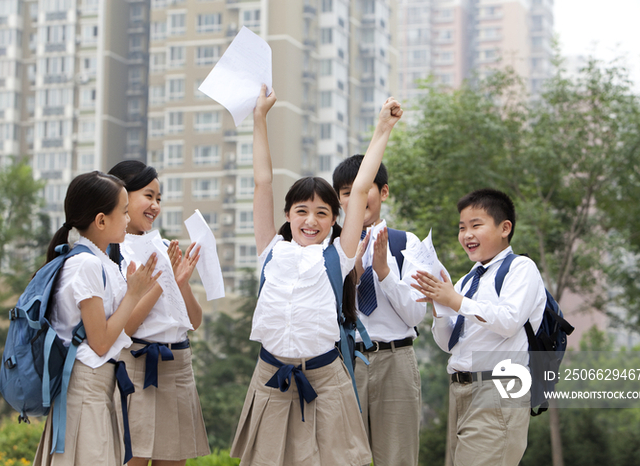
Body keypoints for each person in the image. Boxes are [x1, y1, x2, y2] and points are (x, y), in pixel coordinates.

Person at [230, 85, 403, 466]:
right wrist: (260, 118)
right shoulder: (270, 251)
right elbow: (262, 182)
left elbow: (359, 191)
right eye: (302, 211)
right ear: (288, 215)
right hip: (271, 376)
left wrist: (382, 130)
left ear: (334, 220)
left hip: (325, 379)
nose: (311, 220)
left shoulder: (339, 255)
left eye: (322, 212)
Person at [34, 171, 160, 466]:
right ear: (101, 220)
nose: (128, 220)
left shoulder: (100, 262)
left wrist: (138, 291)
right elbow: (101, 342)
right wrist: (132, 294)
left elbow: (119, 330)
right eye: (124, 212)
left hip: (95, 389)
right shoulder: (87, 265)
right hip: (85, 390)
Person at [411, 188, 546, 466]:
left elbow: (508, 322)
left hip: (498, 388)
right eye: (462, 228)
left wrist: (455, 300)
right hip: (461, 391)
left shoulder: (521, 268)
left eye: (476, 225)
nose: (466, 235)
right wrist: (439, 305)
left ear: (505, 228)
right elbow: (449, 344)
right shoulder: (466, 281)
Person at [107, 160, 211, 466]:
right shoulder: (115, 252)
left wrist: (179, 281)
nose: (155, 205)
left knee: (174, 460)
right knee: (132, 460)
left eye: (159, 198)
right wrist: (160, 279)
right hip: (137, 365)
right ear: (122, 198)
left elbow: (193, 321)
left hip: (178, 365)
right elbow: (125, 328)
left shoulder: (164, 246)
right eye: (148, 195)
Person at [331, 156, 426, 466]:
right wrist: (349, 272)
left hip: (395, 361)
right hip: (344, 362)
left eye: (362, 188)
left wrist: (384, 272)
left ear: (383, 192)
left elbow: (415, 316)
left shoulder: (406, 244)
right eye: (346, 192)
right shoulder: (328, 250)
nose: (354, 197)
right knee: (342, 457)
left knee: (397, 458)